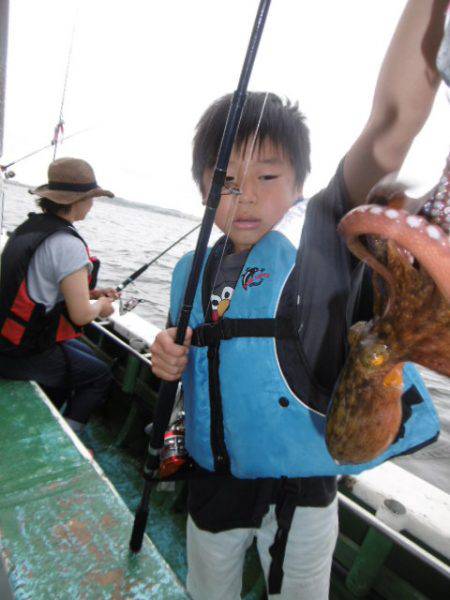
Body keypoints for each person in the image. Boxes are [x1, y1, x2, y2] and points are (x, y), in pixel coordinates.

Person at [150, 2, 447, 598]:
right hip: (215, 477)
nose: (244, 198)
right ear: (200, 185)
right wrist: (166, 354)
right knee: (209, 588)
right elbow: (186, 351)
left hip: (305, 487)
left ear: (299, 185)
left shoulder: (321, 253)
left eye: (267, 176)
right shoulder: (189, 272)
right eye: (224, 179)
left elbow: (391, 125)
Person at [0, 157, 118, 434]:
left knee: (84, 354)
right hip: (19, 352)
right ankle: (62, 443)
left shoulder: (31, 228)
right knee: (100, 375)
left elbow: (38, 282)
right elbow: (80, 315)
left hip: (7, 337)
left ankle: (51, 415)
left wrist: (91, 293)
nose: (92, 205)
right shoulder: (67, 244)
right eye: (91, 198)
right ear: (77, 201)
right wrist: (102, 304)